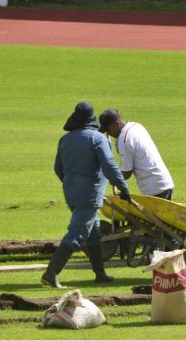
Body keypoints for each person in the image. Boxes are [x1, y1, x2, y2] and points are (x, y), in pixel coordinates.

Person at [41, 101, 131, 288]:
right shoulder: (97, 139)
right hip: (90, 195)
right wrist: (122, 187)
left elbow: (58, 168)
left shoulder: (65, 140)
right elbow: (109, 166)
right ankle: (51, 273)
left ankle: (100, 273)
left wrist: (71, 183)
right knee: (77, 234)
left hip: (71, 193)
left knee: (93, 233)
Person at [98, 108, 174, 200]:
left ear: (117, 124)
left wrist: (114, 179)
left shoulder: (124, 140)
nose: (108, 133)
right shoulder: (136, 126)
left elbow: (126, 173)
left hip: (154, 189)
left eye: (109, 129)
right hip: (164, 182)